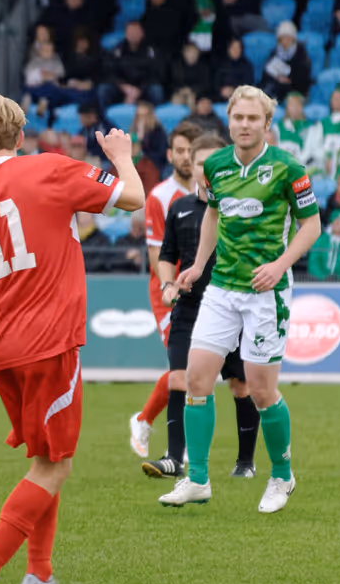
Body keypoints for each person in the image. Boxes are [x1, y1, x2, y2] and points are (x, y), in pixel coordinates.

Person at [0, 95, 145, 584]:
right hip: (51, 343)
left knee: (47, 458)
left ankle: (39, 577)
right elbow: (132, 198)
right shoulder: (50, 169)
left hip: (0, 353)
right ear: (21, 137)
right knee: (55, 466)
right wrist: (122, 157)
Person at [161, 85, 322, 513]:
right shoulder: (212, 166)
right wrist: (197, 265)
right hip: (222, 288)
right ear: (229, 121)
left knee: (261, 389)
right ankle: (197, 480)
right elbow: (213, 213)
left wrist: (280, 264)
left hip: (267, 292)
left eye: (253, 118)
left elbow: (312, 226)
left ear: (267, 124)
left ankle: (282, 476)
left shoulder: (289, 168)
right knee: (196, 379)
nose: (245, 125)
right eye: (238, 117)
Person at [142, 133, 258, 481]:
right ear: (190, 167)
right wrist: (167, 285)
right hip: (189, 307)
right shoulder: (178, 209)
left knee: (241, 384)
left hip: (232, 307)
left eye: (213, 163)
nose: (206, 171)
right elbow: (166, 257)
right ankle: (174, 458)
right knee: (180, 378)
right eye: (200, 164)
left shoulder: (240, 205)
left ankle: (245, 461)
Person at [129, 121, 202, 458]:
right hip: (170, 293)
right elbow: (156, 252)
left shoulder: (209, 194)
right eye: (181, 151)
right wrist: (169, 287)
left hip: (205, 292)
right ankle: (179, 443)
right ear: (170, 154)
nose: (187, 157)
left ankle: (146, 420)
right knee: (183, 367)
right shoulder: (159, 196)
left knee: (196, 366)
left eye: (192, 151)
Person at [259, 21, 312, 104]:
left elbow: (304, 77)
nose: (285, 41)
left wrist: (289, 79)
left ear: (293, 38)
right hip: (277, 88)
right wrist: (277, 78)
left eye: (288, 37)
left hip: (296, 89)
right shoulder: (275, 53)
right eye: (282, 38)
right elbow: (266, 72)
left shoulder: (301, 53)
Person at [272, 92, 312, 162]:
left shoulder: (309, 128)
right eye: (291, 105)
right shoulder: (277, 127)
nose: (295, 108)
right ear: (287, 107)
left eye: (297, 104)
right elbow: (274, 148)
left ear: (302, 107)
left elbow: (309, 150)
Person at [213, 37, 255, 102]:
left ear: (241, 49)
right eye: (233, 47)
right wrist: (221, 90)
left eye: (238, 48)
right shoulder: (221, 64)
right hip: (221, 97)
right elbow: (215, 82)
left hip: (241, 98)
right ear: (228, 49)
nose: (235, 50)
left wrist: (234, 90)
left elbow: (249, 84)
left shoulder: (247, 65)